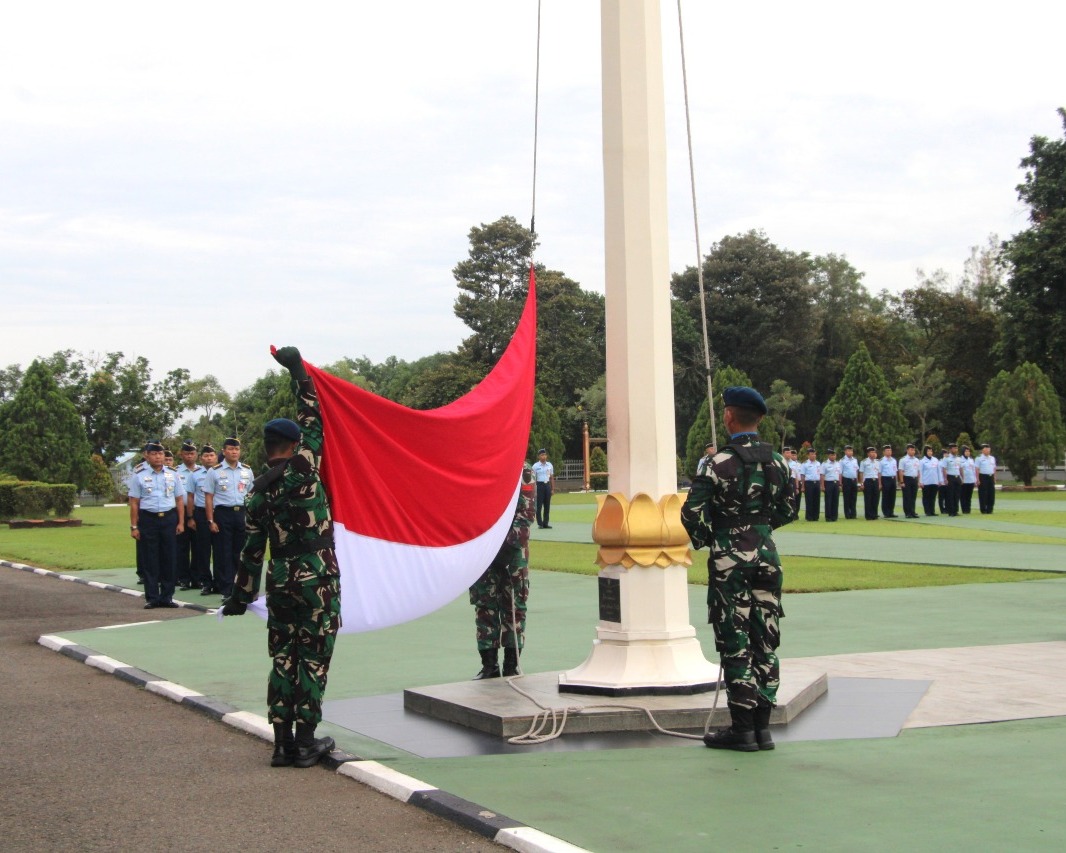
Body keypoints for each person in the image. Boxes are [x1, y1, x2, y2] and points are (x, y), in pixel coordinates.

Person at [220, 346, 341, 769]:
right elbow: (314, 417)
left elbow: (252, 553)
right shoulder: (304, 470)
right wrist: (298, 371)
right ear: (292, 445)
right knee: (312, 658)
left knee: (283, 660)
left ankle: (280, 742)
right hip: (317, 583)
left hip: (281, 580)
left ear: (267, 446)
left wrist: (239, 598)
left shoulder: (256, 494)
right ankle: (305, 741)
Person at [681, 386, 795, 752]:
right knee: (766, 636)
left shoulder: (716, 464)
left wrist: (717, 537)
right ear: (759, 419)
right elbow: (789, 509)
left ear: (729, 416)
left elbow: (692, 513)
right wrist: (760, 530)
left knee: (736, 638)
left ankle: (742, 728)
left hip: (730, 558)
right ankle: (763, 727)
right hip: (767, 556)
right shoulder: (778, 462)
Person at [469, 462, 536, 679]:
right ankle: (489, 666)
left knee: (514, 607)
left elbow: (526, 513)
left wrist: (506, 547)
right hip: (482, 549)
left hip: (512, 552)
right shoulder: (477, 466)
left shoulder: (522, 469)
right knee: (484, 606)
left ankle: (510, 665)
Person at [127, 440, 186, 609]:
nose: (158, 457)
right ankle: (152, 597)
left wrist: (181, 522)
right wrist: (134, 526)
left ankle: (167, 596)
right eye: (154, 454)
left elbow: (179, 499)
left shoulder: (173, 474)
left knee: (169, 558)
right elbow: (134, 502)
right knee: (150, 558)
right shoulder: (139, 474)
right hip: (148, 519)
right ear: (147, 455)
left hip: (169, 518)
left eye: (161, 454)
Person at [204, 436, 254, 598]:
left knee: (239, 552)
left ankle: (239, 585)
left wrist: (251, 516)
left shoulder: (247, 470)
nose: (234, 452)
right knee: (223, 552)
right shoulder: (215, 471)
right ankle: (226, 589)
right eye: (230, 449)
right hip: (222, 514)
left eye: (237, 449)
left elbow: (251, 495)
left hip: (241, 513)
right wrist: (211, 520)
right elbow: (209, 497)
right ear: (224, 451)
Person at [175, 440, 203, 590]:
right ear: (181, 454)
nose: (189, 456)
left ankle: (196, 578)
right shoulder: (175, 472)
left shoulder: (202, 471)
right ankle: (183, 578)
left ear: (197, 455)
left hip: (198, 511)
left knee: (198, 546)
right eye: (186, 453)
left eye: (192, 453)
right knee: (182, 547)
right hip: (181, 511)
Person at [191, 444, 218, 594]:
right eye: (206, 456)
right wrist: (190, 517)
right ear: (201, 458)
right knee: (203, 550)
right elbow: (190, 496)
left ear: (216, 456)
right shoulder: (195, 474)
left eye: (212, 455)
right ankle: (206, 582)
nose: (209, 458)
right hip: (201, 513)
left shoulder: (220, 472)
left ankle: (220, 581)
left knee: (220, 550)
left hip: (219, 513)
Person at [532, 449, 555, 529]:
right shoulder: (535, 466)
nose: (544, 456)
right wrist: (534, 490)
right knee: (539, 506)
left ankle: (546, 523)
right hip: (539, 485)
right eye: (542, 455)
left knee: (547, 505)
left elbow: (551, 477)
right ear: (539, 456)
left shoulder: (549, 465)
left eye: (545, 455)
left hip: (547, 485)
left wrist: (552, 489)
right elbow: (533, 479)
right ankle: (540, 523)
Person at [899, 443, 920, 518]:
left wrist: (918, 481)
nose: (913, 451)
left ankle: (912, 511)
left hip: (914, 479)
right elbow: (901, 471)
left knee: (913, 497)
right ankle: (907, 512)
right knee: (907, 496)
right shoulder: (903, 460)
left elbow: (918, 471)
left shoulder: (917, 460)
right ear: (907, 450)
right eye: (911, 450)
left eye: (914, 450)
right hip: (907, 479)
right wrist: (902, 482)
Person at [858, 446, 880, 521]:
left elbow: (879, 473)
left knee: (876, 498)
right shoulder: (864, 462)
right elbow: (861, 473)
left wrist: (880, 483)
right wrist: (861, 483)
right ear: (868, 453)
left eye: (874, 452)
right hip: (867, 481)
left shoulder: (877, 462)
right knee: (868, 499)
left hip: (875, 480)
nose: (873, 454)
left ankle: (874, 514)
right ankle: (868, 515)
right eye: (871, 452)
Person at [800, 447, 821, 521]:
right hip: (809, 483)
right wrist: (802, 486)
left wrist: (821, 484)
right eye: (812, 454)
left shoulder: (818, 463)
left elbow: (820, 474)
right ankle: (809, 517)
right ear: (808, 455)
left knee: (816, 500)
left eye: (814, 454)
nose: (813, 455)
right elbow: (802, 475)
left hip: (817, 482)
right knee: (809, 500)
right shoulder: (805, 464)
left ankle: (816, 516)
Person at [919, 445, 941, 516]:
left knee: (933, 497)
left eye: (931, 451)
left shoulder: (935, 460)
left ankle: (932, 511)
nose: (930, 452)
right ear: (925, 452)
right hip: (926, 482)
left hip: (934, 481)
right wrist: (921, 481)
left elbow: (938, 471)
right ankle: (927, 511)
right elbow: (920, 472)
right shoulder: (922, 461)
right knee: (926, 497)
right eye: (928, 451)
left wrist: (940, 480)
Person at [821, 448, 841, 522]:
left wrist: (840, 484)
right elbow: (822, 475)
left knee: (835, 500)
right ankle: (828, 517)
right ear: (828, 455)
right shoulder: (825, 464)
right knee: (828, 500)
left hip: (836, 483)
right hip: (828, 482)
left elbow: (839, 474)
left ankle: (834, 516)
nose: (833, 456)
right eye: (832, 455)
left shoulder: (838, 463)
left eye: (834, 455)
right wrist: (822, 486)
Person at [942, 442, 962, 517]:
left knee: (957, 495)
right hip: (950, 477)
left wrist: (961, 478)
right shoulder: (946, 458)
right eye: (954, 448)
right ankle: (951, 511)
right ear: (950, 449)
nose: (956, 450)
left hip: (957, 477)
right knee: (950, 495)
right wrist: (945, 478)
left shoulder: (958, 458)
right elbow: (944, 469)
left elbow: (960, 468)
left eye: (956, 448)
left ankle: (955, 510)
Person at [879, 444, 898, 518]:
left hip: (893, 478)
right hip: (885, 479)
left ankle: (891, 511)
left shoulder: (894, 460)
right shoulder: (881, 461)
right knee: (886, 496)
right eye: (887, 450)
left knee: (892, 496)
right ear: (884, 452)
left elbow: (895, 471)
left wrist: (896, 481)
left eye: (890, 450)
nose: (889, 452)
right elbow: (879, 473)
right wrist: (880, 483)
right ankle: (886, 512)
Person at [976, 443, 997, 514]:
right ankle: (983, 509)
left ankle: (990, 509)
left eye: (989, 449)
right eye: (986, 449)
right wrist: (977, 479)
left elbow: (994, 468)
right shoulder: (979, 458)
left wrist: (994, 477)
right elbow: (977, 469)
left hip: (990, 476)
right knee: (983, 493)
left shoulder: (992, 458)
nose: (988, 451)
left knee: (991, 493)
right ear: (983, 450)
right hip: (983, 477)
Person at [840, 445, 859, 520]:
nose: (850, 452)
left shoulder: (855, 460)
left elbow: (856, 470)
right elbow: (840, 472)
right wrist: (841, 483)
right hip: (846, 480)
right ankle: (847, 514)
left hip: (853, 480)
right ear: (845, 452)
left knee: (854, 497)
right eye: (848, 451)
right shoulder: (842, 461)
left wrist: (857, 480)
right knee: (847, 498)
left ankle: (853, 514)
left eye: (851, 451)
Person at [784, 447, 802, 516]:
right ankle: (786, 514)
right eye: (787, 453)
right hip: (785, 480)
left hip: (793, 481)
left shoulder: (794, 463)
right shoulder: (782, 462)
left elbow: (797, 475)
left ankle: (794, 514)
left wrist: (797, 487)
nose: (789, 454)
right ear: (783, 453)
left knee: (793, 499)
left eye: (789, 453)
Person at [959, 446, 977, 514]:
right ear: (963, 452)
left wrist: (975, 480)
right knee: (963, 496)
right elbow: (959, 470)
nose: (968, 453)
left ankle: (968, 509)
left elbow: (973, 470)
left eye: (968, 451)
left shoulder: (971, 460)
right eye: (966, 451)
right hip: (964, 481)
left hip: (971, 480)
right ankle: (964, 510)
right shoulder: (960, 460)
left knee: (969, 496)